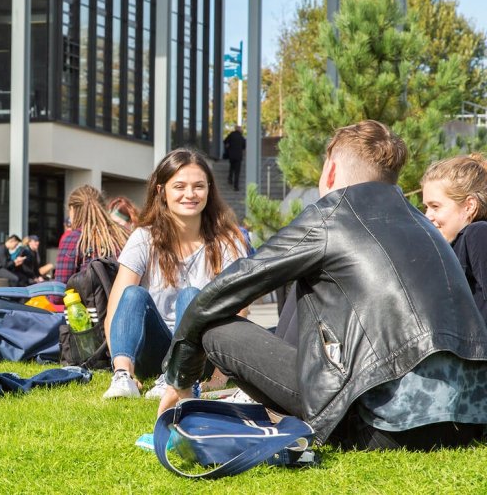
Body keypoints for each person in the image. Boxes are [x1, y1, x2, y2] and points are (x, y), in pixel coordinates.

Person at [159, 121, 487, 451]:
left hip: (383, 427)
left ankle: (186, 400)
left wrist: (179, 376)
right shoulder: (426, 226)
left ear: (330, 172)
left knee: (215, 327)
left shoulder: (331, 216)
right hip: (467, 423)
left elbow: (223, 291)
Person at [102, 149, 247, 399]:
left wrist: (219, 378)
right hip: (153, 349)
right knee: (133, 294)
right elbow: (115, 311)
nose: (190, 194)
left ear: (209, 190)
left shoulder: (227, 241)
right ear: (162, 191)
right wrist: (126, 368)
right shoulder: (143, 238)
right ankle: (123, 378)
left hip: (200, 353)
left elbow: (239, 309)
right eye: (179, 186)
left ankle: (174, 377)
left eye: (198, 186)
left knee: (192, 296)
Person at [422, 153, 487, 322]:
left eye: (435, 206)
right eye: (426, 207)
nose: (427, 216)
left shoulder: (478, 234)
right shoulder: (452, 247)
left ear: (469, 206)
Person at [54, 185, 128, 285]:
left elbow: (60, 289)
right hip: (122, 298)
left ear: (73, 210)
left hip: (88, 300)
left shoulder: (74, 238)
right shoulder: (123, 235)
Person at [223, 125, 246, 191]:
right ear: (240, 130)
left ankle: (230, 179)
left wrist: (228, 147)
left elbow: (225, 141)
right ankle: (236, 186)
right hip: (238, 156)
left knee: (232, 167)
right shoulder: (241, 137)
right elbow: (244, 146)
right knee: (237, 171)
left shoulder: (231, 135)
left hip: (231, 155)